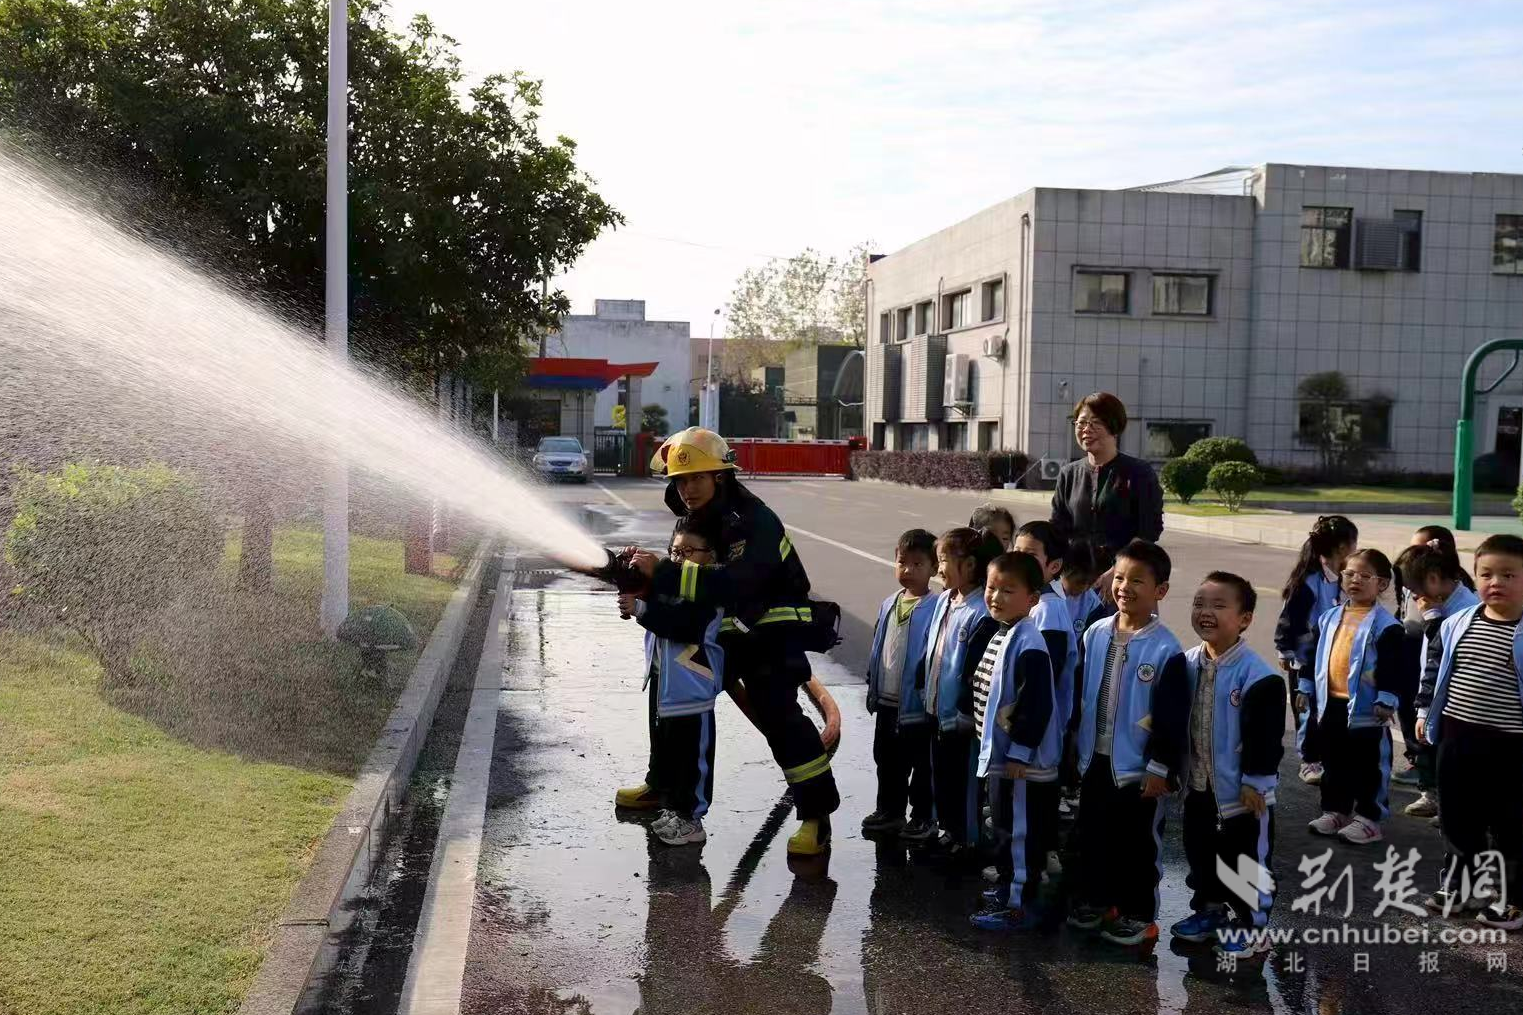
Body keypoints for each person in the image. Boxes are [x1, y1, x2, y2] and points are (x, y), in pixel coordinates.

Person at [628, 427, 840, 857]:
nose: (687, 489)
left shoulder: (755, 520)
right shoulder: (696, 515)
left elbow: (735, 584)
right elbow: (687, 572)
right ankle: (661, 786)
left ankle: (816, 818)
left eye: (697, 479)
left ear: (720, 477)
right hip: (716, 630)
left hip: (765, 635)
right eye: (681, 480)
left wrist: (664, 574)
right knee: (669, 702)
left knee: (778, 716)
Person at [1069, 539, 1190, 948]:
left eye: (1138, 580)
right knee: (1094, 835)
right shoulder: (1096, 633)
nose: (1125, 587)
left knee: (1137, 845)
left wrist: (1160, 768)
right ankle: (1099, 902)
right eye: (1120, 577)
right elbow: (1080, 695)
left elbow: (1172, 719)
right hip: (1095, 759)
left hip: (1138, 769)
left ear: (1160, 591)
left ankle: (1139, 915)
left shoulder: (1166, 648)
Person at [1170, 572, 1285, 960]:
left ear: (1245, 619)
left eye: (1219, 606)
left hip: (1243, 794)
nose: (1206, 612)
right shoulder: (1185, 664)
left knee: (1247, 860)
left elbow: (1266, 738)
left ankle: (1254, 925)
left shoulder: (1259, 676)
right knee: (1202, 853)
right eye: (1200, 603)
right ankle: (1210, 912)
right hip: (1200, 787)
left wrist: (1256, 780)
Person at [1418, 534, 1523, 929]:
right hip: (1458, 737)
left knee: (1511, 823)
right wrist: (1426, 709)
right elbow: (1436, 671)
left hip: (1512, 744)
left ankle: (1512, 899)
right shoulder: (1459, 621)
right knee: (1458, 817)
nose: (1495, 582)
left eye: (1509, 574)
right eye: (1487, 574)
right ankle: (1462, 887)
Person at [617, 517, 727, 846]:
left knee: (692, 759)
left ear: (712, 557)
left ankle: (692, 819)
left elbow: (681, 625)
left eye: (689, 551)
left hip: (692, 691)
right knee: (667, 750)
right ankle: (672, 808)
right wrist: (629, 571)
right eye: (674, 552)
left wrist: (641, 609)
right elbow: (657, 600)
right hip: (665, 686)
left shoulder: (709, 592)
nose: (678, 559)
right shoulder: (674, 583)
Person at [965, 552, 1058, 931]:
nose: (996, 597)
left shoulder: (1030, 642)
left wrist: (1020, 751)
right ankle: (1008, 887)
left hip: (1023, 766)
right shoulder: (1005, 632)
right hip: (1004, 761)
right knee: (1002, 826)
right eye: (991, 587)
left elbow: (1036, 704)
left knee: (1019, 835)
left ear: (1032, 599)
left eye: (1008, 590)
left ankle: (1019, 904)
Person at [1305, 549, 1402, 846]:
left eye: (1364, 575)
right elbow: (1313, 657)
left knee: (1368, 765)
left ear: (1382, 584)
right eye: (1349, 574)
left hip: (1366, 710)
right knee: (1333, 761)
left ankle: (1369, 818)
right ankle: (1336, 810)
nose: (1355, 580)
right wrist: (1306, 686)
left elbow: (1393, 667)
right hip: (1330, 704)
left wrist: (1386, 697)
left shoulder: (1386, 626)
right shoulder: (1329, 617)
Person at [922, 526, 1002, 855]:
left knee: (965, 782)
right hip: (937, 709)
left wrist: (966, 712)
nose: (939, 568)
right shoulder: (945, 600)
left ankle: (968, 838)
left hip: (961, 718)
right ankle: (949, 829)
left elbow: (974, 673)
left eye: (943, 561)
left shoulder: (980, 613)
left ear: (969, 566)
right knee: (941, 777)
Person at [862, 529, 939, 843]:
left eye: (917, 564)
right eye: (902, 562)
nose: (908, 570)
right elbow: (878, 645)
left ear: (934, 568)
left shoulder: (936, 607)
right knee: (887, 760)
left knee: (921, 765)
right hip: (887, 702)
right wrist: (872, 683)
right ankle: (889, 811)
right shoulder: (889, 603)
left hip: (916, 707)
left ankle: (922, 816)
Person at [1396, 537, 1478, 821]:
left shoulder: (1464, 609)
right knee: (1439, 755)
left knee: (1455, 761)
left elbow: (1442, 654)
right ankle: (1441, 802)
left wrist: (1432, 620)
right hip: (1437, 695)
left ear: (1433, 579)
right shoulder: (1443, 601)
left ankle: (1456, 813)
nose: (1415, 598)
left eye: (1414, 590)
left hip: (1456, 700)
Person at [1275, 515, 1359, 786]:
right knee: (1307, 711)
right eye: (1354, 542)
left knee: (1330, 709)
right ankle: (1309, 760)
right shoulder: (1309, 581)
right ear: (1343, 547)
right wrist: (1285, 649)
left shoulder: (1344, 578)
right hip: (1307, 660)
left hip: (1334, 658)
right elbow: (1290, 618)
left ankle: (1328, 754)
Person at [1049, 393, 1164, 574]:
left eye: (1095, 423)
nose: (1086, 429)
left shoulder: (1140, 472)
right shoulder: (1068, 474)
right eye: (1081, 423)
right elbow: (1058, 528)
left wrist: (1117, 571)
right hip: (1076, 579)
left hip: (1123, 579)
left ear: (1114, 427)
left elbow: (1149, 531)